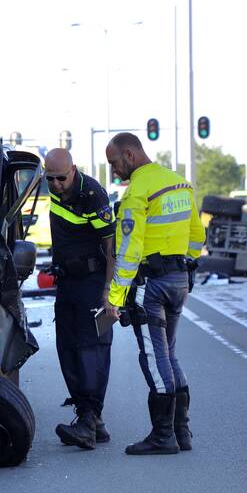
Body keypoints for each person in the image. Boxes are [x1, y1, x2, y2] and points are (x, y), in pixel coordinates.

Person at [103, 134, 204, 455]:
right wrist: (185, 267)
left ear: (129, 155)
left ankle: (163, 436)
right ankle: (181, 431)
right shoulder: (179, 185)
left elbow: (130, 250)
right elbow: (196, 235)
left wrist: (115, 297)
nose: (114, 172)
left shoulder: (138, 192)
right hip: (179, 280)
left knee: (153, 355)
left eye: (115, 164)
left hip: (151, 286)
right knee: (169, 352)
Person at [44, 149, 117, 450]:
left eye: (62, 177)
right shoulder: (53, 190)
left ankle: (89, 418)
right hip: (66, 281)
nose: (57, 184)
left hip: (91, 282)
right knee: (67, 347)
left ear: (73, 170)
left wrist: (108, 290)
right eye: (50, 179)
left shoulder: (93, 196)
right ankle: (89, 417)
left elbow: (111, 248)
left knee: (92, 348)